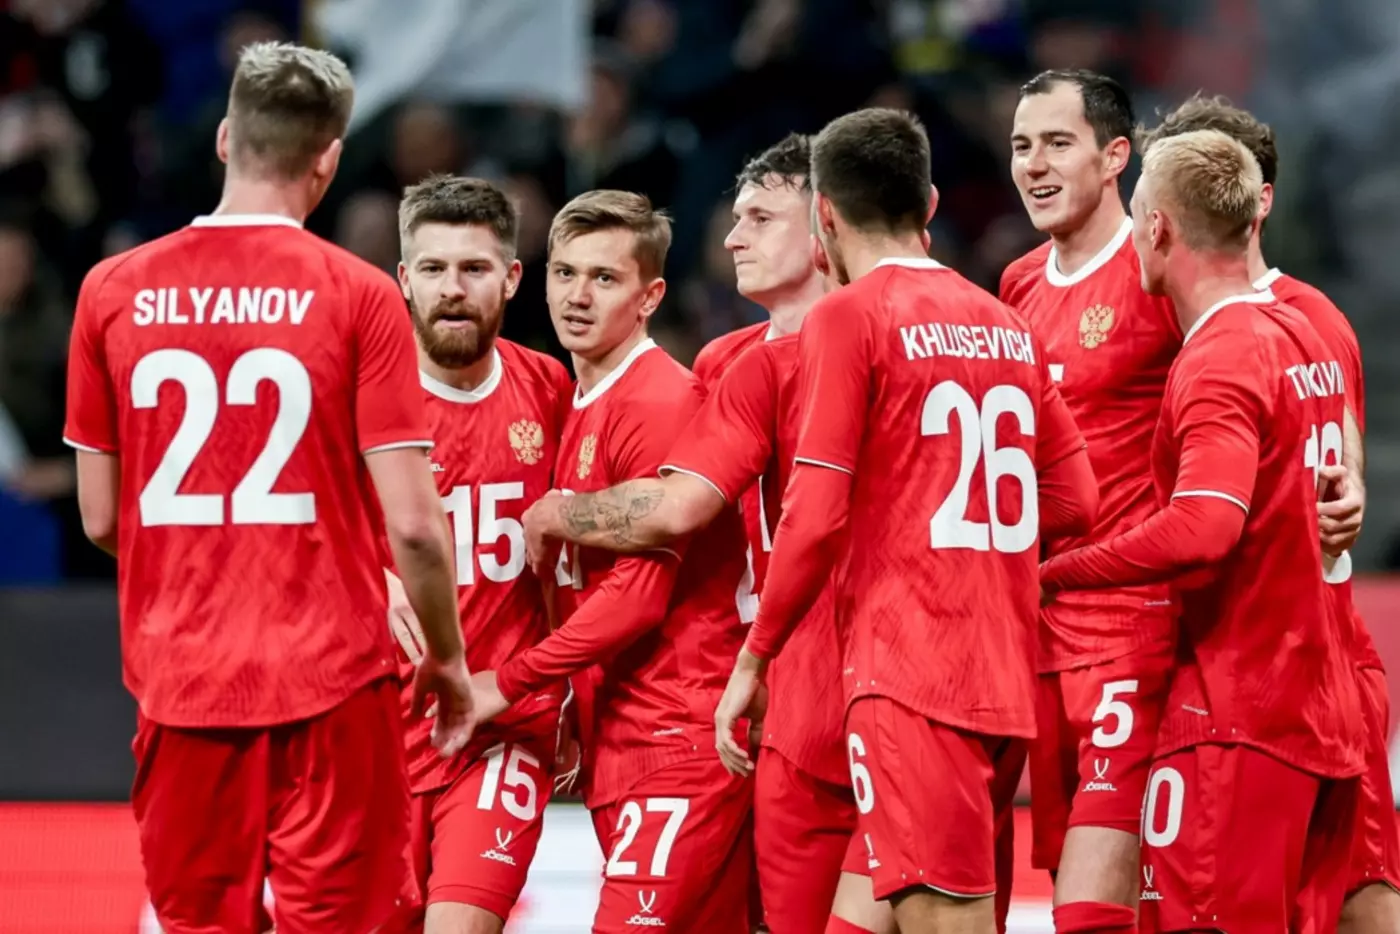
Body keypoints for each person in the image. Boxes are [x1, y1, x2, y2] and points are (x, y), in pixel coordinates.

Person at [61, 42, 473, 934]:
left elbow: (100, 516)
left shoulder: (111, 290)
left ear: (224, 138)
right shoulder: (359, 294)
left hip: (183, 686)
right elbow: (415, 526)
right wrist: (446, 660)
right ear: (328, 159)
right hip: (333, 687)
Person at [715, 107, 1098, 934]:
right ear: (928, 205)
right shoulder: (1005, 321)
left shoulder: (848, 317)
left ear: (823, 216)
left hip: (911, 679)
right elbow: (1078, 499)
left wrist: (755, 658)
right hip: (1003, 674)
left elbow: (814, 516)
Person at [521, 136, 884, 934]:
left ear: (824, 223)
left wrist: (555, 517)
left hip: (842, 671)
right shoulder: (724, 362)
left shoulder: (872, 341)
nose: (732, 236)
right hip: (765, 694)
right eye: (736, 216)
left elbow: (675, 510)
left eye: (760, 217)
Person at [1040, 128, 1368, 933]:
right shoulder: (1305, 326)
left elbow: (1204, 527)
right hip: (1322, 696)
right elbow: (1333, 447)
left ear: (1155, 228)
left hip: (1240, 705)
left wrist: (1058, 572)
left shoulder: (1221, 354)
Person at [1137, 95, 1397, 934]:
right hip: (1207, 657)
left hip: (1281, 666)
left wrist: (1349, 496)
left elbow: (1339, 475)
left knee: (1352, 894)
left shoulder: (1304, 316)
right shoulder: (1151, 300)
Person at [469, 190, 754, 933]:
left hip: (678, 736)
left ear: (650, 296)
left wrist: (510, 683)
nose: (578, 296)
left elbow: (637, 598)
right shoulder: (579, 405)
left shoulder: (657, 401)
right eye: (565, 273)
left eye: (605, 278)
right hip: (627, 738)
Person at [999, 69, 1181, 933]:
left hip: (1135, 629)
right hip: (1037, 632)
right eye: (1021, 146)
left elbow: (1260, 347)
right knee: (1073, 877)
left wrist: (1340, 470)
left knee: (1094, 902)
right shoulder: (1016, 285)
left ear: (1115, 157)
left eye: (1056, 143)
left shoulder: (1160, 270)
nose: (1034, 164)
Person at [381, 175, 573, 934]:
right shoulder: (359, 396)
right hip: (374, 743)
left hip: (500, 732)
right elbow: (289, 535)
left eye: (474, 268)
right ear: (405, 279)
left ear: (512, 277)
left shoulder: (551, 389)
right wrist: (367, 578)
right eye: (433, 269)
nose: (452, 289)